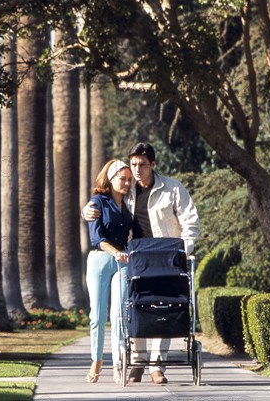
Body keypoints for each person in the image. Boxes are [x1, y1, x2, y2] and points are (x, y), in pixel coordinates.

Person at [82, 142, 200, 385]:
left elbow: (191, 222)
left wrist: (183, 251)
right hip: (137, 258)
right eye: (133, 164)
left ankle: (157, 366)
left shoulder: (173, 189)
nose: (136, 170)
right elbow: (104, 201)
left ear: (153, 165)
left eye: (142, 165)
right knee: (137, 306)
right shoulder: (128, 189)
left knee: (163, 307)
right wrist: (86, 210)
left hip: (167, 257)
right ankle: (136, 362)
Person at [85, 159, 133, 384]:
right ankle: (96, 360)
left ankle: (118, 364)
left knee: (120, 314)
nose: (126, 183)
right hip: (101, 260)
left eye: (129, 179)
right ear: (110, 179)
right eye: (122, 179)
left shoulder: (129, 204)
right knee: (97, 315)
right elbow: (97, 238)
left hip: (122, 261)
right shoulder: (97, 203)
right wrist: (115, 253)